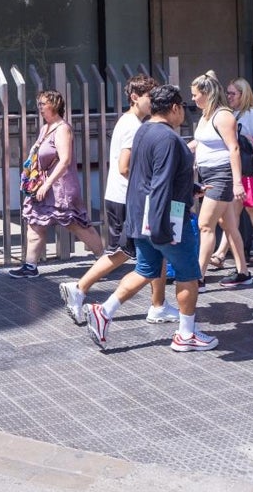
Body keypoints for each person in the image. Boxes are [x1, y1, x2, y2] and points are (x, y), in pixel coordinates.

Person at [83, 85, 218, 352]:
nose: (184, 115)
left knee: (145, 269)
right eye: (183, 109)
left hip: (143, 214)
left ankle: (104, 312)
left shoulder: (143, 130)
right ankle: (186, 334)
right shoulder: (170, 139)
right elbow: (161, 183)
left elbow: (146, 175)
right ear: (175, 108)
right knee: (189, 273)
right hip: (168, 217)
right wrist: (162, 226)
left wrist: (190, 188)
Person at [59, 75, 177, 324]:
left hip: (122, 197)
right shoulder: (133, 126)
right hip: (127, 198)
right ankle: (80, 288)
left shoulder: (131, 122)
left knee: (152, 250)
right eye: (149, 97)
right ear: (135, 97)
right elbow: (125, 166)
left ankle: (158, 304)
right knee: (123, 252)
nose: (154, 102)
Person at [9, 90, 105, 278]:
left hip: (60, 187)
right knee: (35, 223)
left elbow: (65, 160)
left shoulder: (62, 129)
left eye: (43, 104)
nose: (40, 108)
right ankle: (30, 266)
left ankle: (103, 259)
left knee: (76, 223)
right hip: (42, 186)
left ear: (53, 105)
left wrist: (47, 184)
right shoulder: (46, 128)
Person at [189, 71, 251, 288]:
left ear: (207, 93)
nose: (193, 98)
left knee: (205, 224)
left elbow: (234, 148)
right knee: (229, 225)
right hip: (208, 174)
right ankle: (243, 271)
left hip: (221, 176)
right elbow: (199, 143)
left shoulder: (223, 116)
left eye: (196, 94)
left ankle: (198, 277)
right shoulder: (206, 116)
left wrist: (237, 183)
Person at [210, 77, 253, 265]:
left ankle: (224, 253)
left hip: (249, 171)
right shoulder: (233, 113)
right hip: (241, 170)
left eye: (233, 93)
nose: (229, 96)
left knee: (247, 210)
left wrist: (246, 139)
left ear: (243, 94)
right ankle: (222, 253)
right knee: (235, 211)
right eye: (228, 93)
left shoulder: (252, 114)